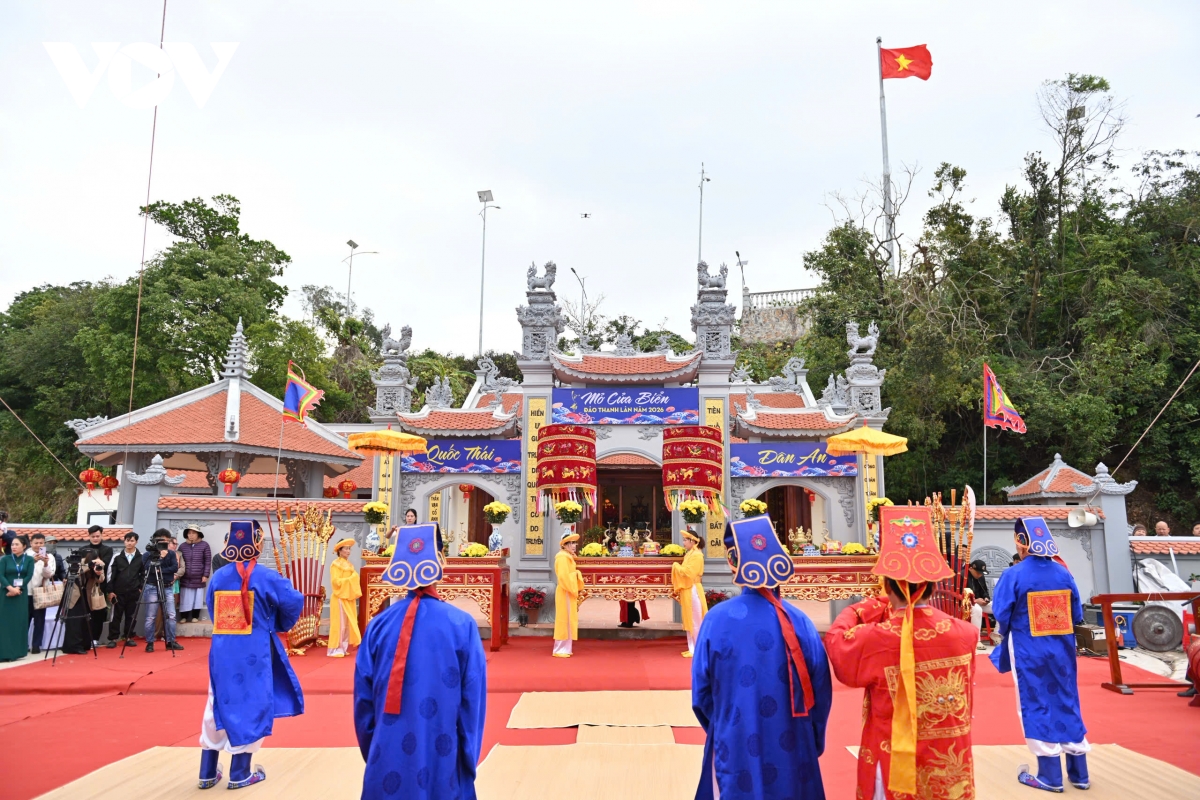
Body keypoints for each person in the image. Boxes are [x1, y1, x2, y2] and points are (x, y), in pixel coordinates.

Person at [826, 506, 978, 800]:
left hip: (894, 757)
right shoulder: (966, 633)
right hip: (950, 760)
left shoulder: (876, 638)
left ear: (887, 584)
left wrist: (861, 609)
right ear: (932, 585)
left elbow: (837, 642)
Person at [692, 515, 832, 799]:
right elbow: (821, 692)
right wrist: (811, 737)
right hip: (794, 743)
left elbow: (701, 696)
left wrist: (724, 725)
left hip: (735, 742)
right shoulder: (800, 621)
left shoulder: (716, 620)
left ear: (735, 565)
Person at [354, 523, 486, 800]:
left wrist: (377, 749)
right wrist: (467, 758)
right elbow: (472, 704)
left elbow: (363, 702)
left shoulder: (378, 626)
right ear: (440, 562)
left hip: (386, 756)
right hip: (443, 756)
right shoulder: (461, 624)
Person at [197, 519, 304, 790]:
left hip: (223, 650)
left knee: (216, 700)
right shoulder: (267, 576)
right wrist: (275, 622)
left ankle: (207, 772)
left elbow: (212, 609)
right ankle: (240, 772)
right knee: (252, 702)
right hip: (255, 650)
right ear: (257, 544)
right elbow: (294, 601)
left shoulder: (219, 577)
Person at [990, 517, 1091, 792]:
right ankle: (1079, 773)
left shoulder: (1014, 574)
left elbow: (1001, 613)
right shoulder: (1063, 573)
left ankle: (1050, 775)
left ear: (1022, 543)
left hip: (1028, 649)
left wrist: (1003, 632)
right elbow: (1077, 613)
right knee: (1067, 699)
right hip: (1062, 649)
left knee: (1034, 701)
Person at [143, 529, 183, 652]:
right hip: (151, 587)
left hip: (167, 586)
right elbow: (149, 569)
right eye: (162, 541)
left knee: (171, 615)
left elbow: (174, 568)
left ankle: (170, 641)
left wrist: (160, 570)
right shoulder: (148, 554)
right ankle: (150, 642)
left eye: (167, 541)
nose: (164, 543)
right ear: (155, 541)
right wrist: (161, 558)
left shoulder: (171, 554)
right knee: (151, 617)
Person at [63, 547, 107, 654]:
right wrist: (89, 566)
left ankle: (85, 644)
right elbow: (74, 574)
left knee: (86, 621)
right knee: (75, 622)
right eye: (95, 558)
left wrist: (98, 572)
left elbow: (101, 579)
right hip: (75, 595)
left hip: (87, 596)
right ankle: (74, 646)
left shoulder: (98, 564)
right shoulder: (79, 562)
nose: (97, 560)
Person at [671, 526, 707, 657]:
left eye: (685, 540)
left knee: (695, 619)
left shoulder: (697, 555)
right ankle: (692, 648)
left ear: (692, 541)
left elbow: (688, 573)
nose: (684, 542)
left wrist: (675, 566)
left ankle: (697, 649)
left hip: (693, 589)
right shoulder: (690, 554)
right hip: (688, 589)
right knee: (689, 618)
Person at [1, 535, 36, 661]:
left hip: (20, 594)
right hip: (5, 593)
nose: (13, 547)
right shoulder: (5, 559)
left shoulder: (29, 559)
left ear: (24, 546)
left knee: (18, 622)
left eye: (17, 544)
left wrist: (17, 589)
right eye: (12, 544)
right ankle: (4, 652)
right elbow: (1, 575)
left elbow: (28, 575)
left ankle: (16, 652)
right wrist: (10, 588)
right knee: (4, 623)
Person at [106, 532, 143, 648]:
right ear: (124, 541)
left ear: (136, 542)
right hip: (118, 592)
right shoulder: (117, 557)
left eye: (132, 541)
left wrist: (140, 588)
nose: (129, 543)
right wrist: (110, 591)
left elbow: (143, 574)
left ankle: (128, 637)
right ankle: (113, 638)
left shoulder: (141, 557)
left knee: (131, 616)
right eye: (127, 540)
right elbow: (110, 574)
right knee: (115, 616)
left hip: (134, 592)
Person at [327, 538, 361, 657]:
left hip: (348, 596)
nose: (348, 551)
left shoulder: (349, 564)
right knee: (339, 624)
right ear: (339, 551)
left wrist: (353, 578)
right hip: (340, 596)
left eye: (349, 549)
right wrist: (352, 579)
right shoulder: (336, 564)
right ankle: (335, 648)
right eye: (346, 549)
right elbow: (336, 582)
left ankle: (343, 647)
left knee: (346, 624)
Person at [27, 533, 60, 654]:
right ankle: (22, 644)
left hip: (41, 592)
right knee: (24, 620)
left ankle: (36, 645)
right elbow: (22, 571)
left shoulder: (49, 556)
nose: (38, 545)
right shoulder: (25, 555)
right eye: (36, 543)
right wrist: (33, 561)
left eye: (41, 543)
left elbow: (49, 574)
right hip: (26, 592)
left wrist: (45, 563)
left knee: (39, 620)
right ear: (31, 543)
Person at [552, 529, 584, 657]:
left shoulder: (567, 556)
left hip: (567, 591)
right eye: (571, 543)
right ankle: (559, 649)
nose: (574, 545)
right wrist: (577, 574)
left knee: (569, 619)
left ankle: (565, 648)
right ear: (564, 545)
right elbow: (563, 577)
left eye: (575, 543)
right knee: (563, 619)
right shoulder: (562, 558)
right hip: (565, 590)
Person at [84, 525, 113, 643]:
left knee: (99, 612)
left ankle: (95, 638)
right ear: (89, 536)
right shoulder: (83, 549)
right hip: (85, 585)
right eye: (93, 536)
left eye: (97, 536)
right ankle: (85, 637)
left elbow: (105, 564)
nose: (95, 538)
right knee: (86, 612)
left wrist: (93, 564)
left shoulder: (107, 549)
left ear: (101, 535)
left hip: (101, 585)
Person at [180, 524, 212, 623]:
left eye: (193, 533)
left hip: (199, 577)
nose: (191, 535)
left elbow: (207, 561)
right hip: (185, 577)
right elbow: (179, 561)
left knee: (197, 598)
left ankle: (195, 616)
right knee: (185, 598)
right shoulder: (182, 546)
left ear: (198, 534)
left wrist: (205, 575)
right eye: (189, 533)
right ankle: (184, 617)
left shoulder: (204, 545)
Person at [966, 559, 993, 649]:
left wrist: (986, 598)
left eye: (981, 573)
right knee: (977, 609)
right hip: (967, 603)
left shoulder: (981, 576)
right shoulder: (963, 575)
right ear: (971, 569)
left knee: (1000, 606)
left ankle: (996, 634)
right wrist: (975, 600)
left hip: (980, 602)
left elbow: (985, 591)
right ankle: (976, 640)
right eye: (978, 573)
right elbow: (960, 594)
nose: (980, 575)